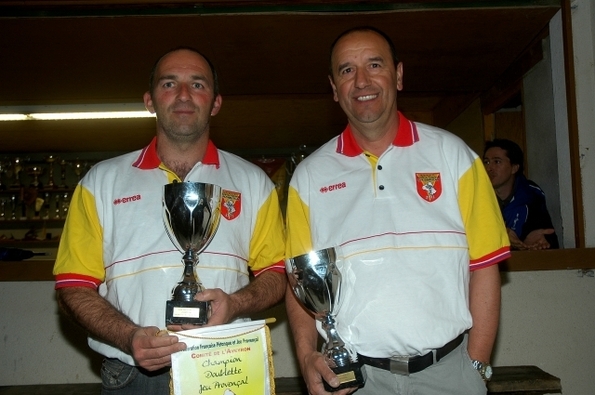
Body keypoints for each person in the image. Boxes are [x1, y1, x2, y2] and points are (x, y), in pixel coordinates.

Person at [284, 26, 511, 395]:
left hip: (450, 375)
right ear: (333, 88)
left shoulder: (455, 157)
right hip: (355, 381)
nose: (361, 81)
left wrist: (476, 366)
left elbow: (485, 266)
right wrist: (307, 354)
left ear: (399, 75)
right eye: (346, 70)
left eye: (374, 65)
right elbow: (297, 281)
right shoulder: (309, 177)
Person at [53, 47, 287, 395]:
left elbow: (278, 274)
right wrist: (129, 336)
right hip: (134, 376)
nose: (183, 95)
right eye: (169, 84)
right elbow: (73, 285)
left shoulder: (253, 183)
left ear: (216, 103)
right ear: (149, 101)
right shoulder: (100, 183)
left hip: (227, 368)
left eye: (197, 84)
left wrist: (236, 303)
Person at [483, 138, 559, 250]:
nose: (489, 168)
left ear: (514, 168)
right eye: (486, 162)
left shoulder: (531, 194)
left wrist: (531, 242)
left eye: (497, 162)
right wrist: (502, 234)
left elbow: (547, 237)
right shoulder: (476, 194)